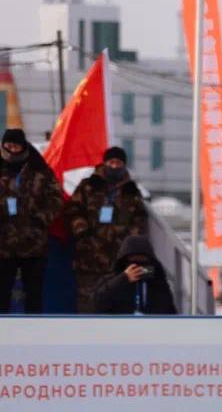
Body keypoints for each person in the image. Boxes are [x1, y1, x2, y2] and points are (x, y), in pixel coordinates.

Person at [65, 146, 148, 313]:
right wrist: (82, 231)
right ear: (104, 163)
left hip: (118, 259)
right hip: (89, 255)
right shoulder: (88, 185)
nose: (114, 166)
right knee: (87, 301)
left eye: (118, 162)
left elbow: (139, 219)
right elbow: (72, 210)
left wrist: (130, 243)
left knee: (117, 300)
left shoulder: (131, 191)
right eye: (111, 162)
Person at [0, 129, 63, 314]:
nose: (12, 149)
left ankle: (35, 333)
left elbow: (56, 199)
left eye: (16, 145)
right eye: (8, 145)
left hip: (34, 243)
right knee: (2, 294)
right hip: (3, 244)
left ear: (23, 146)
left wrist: (41, 219)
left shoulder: (40, 169)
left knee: (34, 294)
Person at [91, 236, 177, 315]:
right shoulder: (109, 281)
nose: (137, 265)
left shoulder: (158, 284)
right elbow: (97, 304)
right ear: (123, 261)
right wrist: (123, 279)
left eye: (142, 259)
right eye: (133, 259)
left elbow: (170, 313)